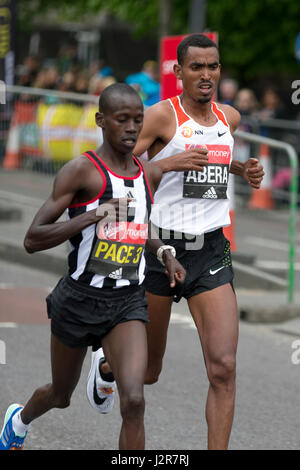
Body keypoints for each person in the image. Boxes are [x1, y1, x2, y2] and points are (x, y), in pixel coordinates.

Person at [88, 34, 265, 450]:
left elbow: (211, 166)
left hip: (209, 251)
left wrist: (243, 170)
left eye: (213, 66)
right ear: (178, 71)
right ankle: (107, 365)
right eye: (197, 67)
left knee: (223, 368)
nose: (206, 75)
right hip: (158, 251)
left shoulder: (229, 118)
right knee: (148, 372)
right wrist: (167, 163)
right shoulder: (159, 118)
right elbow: (116, 171)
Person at [0, 83, 186, 451]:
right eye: (123, 120)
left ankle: (106, 376)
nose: (132, 128)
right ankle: (19, 420)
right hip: (78, 301)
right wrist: (91, 217)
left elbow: (137, 227)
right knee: (60, 394)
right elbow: (32, 239)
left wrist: (165, 252)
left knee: (134, 400)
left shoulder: (145, 174)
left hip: (126, 302)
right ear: (102, 121)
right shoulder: (81, 172)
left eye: (138, 120)